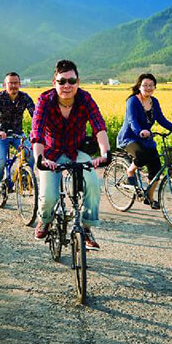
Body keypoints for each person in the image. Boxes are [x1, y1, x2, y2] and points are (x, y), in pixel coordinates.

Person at [31, 59, 110, 250]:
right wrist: (40, 159)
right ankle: (46, 220)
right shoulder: (44, 101)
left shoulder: (85, 98)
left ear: (78, 82)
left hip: (76, 151)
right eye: (62, 81)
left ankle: (87, 227)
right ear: (54, 82)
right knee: (49, 196)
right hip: (51, 153)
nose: (67, 85)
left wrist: (105, 153)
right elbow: (37, 132)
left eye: (71, 81)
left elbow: (98, 126)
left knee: (92, 185)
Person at [116, 73, 172, 209]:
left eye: (151, 85)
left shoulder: (154, 102)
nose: (148, 88)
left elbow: (161, 119)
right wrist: (139, 131)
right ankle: (130, 171)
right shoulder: (133, 101)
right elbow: (132, 120)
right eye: (145, 85)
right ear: (139, 86)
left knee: (156, 169)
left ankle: (149, 197)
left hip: (146, 138)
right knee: (142, 155)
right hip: (130, 137)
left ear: (154, 87)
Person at [0, 72, 36, 194]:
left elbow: (35, 114)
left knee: (30, 154)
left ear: (19, 84)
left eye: (16, 83)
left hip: (17, 134)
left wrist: (38, 130)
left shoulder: (25, 97)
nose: (13, 86)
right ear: (5, 84)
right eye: (11, 83)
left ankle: (24, 179)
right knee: (0, 162)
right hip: (0, 135)